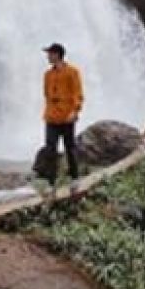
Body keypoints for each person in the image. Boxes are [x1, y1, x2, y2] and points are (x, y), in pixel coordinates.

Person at [42, 42, 84, 191]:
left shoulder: (72, 72)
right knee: (50, 148)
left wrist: (75, 111)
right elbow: (46, 94)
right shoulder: (47, 74)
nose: (48, 56)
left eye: (50, 54)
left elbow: (77, 93)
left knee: (70, 147)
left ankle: (74, 178)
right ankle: (50, 182)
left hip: (67, 116)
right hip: (51, 117)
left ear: (57, 55)